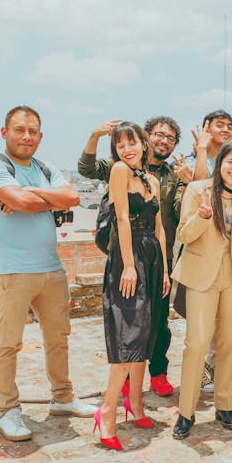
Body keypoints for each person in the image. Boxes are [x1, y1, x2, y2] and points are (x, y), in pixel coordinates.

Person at [0, 105, 95, 442]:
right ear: (5, 133)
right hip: (13, 270)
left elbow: (71, 197)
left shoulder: (44, 168)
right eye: (19, 129)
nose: (26, 136)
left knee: (58, 339)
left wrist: (31, 194)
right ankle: (8, 411)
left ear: (40, 137)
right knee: (9, 344)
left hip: (51, 269)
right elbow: (31, 204)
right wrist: (44, 198)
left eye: (32, 131)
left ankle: (62, 397)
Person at [78, 115, 187, 396]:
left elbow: (174, 213)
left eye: (171, 138)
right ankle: (125, 384)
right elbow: (87, 169)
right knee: (130, 320)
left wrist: (189, 182)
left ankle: (157, 374)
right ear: (147, 137)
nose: (164, 141)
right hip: (128, 252)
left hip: (158, 254)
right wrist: (94, 135)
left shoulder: (168, 176)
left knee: (159, 321)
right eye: (159, 135)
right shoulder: (120, 168)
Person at [170, 142, 232, 439]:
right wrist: (203, 216)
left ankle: (225, 404)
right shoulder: (198, 190)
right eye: (230, 162)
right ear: (219, 163)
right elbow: (184, 234)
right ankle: (186, 411)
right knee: (196, 343)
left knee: (229, 344)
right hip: (201, 277)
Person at [96, 123, 170, 450]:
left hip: (153, 257)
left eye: (132, 142)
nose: (127, 148)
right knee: (129, 333)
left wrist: (165, 270)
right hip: (129, 256)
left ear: (143, 143)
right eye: (120, 143)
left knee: (147, 332)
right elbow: (122, 219)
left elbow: (161, 229)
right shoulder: (119, 171)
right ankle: (107, 412)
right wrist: (128, 265)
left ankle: (136, 404)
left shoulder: (152, 180)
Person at [189, 110, 232, 179]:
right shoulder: (192, 161)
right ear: (207, 129)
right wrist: (201, 149)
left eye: (230, 127)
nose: (226, 130)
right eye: (220, 126)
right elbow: (200, 183)